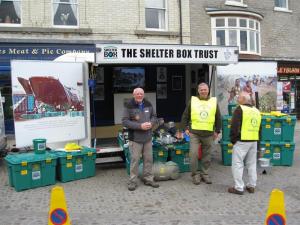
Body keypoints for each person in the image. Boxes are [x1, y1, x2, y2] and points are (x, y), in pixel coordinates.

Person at [181, 83, 221, 185]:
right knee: (193, 154)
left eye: (205, 89)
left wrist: (217, 131)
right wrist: (185, 128)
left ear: (208, 90)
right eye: (201, 90)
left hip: (208, 134)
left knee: (207, 155)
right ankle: (195, 175)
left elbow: (218, 117)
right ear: (198, 91)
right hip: (194, 133)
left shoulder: (213, 102)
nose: (204, 91)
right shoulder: (193, 101)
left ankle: (205, 174)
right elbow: (185, 115)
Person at [122, 87, 160, 191]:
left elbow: (154, 116)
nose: (139, 95)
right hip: (135, 139)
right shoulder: (129, 105)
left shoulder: (148, 104)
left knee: (148, 160)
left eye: (141, 94)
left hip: (147, 138)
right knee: (135, 161)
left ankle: (148, 178)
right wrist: (140, 126)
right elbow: (125, 121)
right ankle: (133, 181)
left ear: (143, 94)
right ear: (133, 95)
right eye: (137, 94)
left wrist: (151, 123)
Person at [228, 91, 261, 195]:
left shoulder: (240, 109)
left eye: (239, 97)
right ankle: (251, 186)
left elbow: (234, 126)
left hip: (242, 141)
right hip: (253, 140)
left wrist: (233, 140)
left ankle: (239, 187)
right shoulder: (256, 110)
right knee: (251, 164)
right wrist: (258, 141)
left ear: (243, 99)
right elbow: (260, 128)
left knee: (237, 164)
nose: (237, 99)